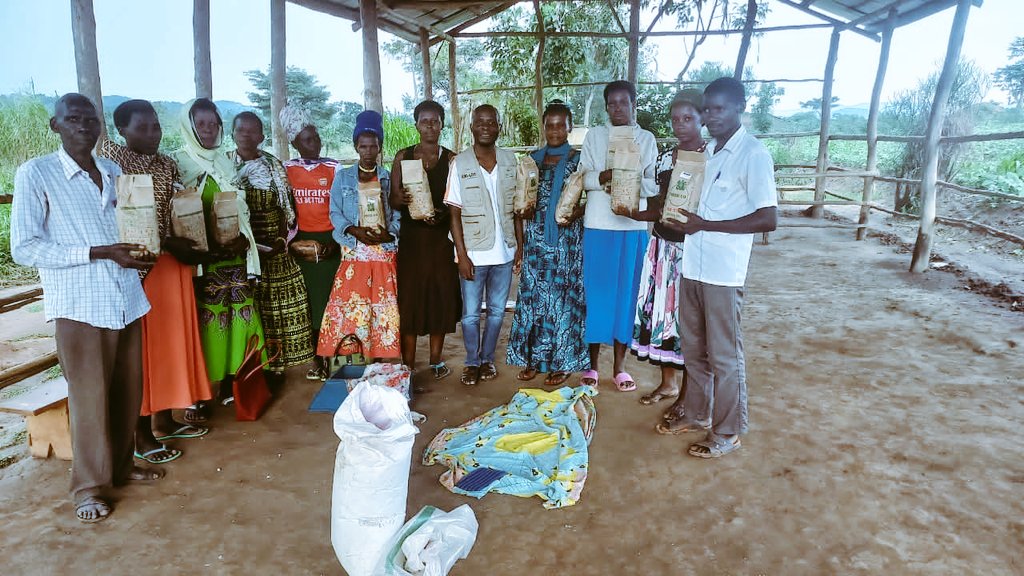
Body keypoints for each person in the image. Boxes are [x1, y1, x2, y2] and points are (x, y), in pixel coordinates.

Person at [10, 93, 162, 523]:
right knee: (89, 396)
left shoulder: (113, 171)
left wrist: (138, 249)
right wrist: (98, 252)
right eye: (72, 119)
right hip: (80, 303)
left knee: (126, 390)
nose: (83, 126)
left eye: (89, 119)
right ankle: (88, 488)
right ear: (54, 125)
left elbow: (128, 229)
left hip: (125, 298)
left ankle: (121, 467)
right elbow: (25, 247)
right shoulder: (37, 173)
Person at [99, 99, 213, 465]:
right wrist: (166, 241)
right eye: (143, 128)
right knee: (143, 352)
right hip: (137, 270)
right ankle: (140, 433)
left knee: (168, 347)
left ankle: (164, 419)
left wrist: (188, 240)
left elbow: (174, 211)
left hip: (170, 268)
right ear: (122, 130)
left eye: (156, 127)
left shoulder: (166, 164)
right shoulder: (109, 164)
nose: (152, 134)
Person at [676, 77, 778, 458]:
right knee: (694, 349)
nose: (710, 116)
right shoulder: (711, 153)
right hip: (694, 265)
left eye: (718, 109)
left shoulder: (753, 154)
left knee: (724, 355)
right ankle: (699, 414)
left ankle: (728, 431)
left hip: (723, 272)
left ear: (740, 108)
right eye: (707, 109)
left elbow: (768, 218)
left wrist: (706, 225)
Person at [615, 90, 707, 430]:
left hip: (693, 253)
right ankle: (668, 384)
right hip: (663, 248)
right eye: (675, 119)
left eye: (687, 118)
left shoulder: (710, 158)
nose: (680, 125)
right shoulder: (667, 159)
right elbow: (658, 207)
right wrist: (634, 213)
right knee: (662, 316)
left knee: (687, 323)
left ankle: (687, 396)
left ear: (702, 118)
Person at [171, 98, 265, 402]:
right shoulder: (178, 162)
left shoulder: (225, 162)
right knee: (205, 323)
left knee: (238, 319)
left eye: (214, 124)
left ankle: (232, 381)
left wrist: (242, 239)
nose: (209, 130)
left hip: (234, 257)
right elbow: (174, 213)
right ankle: (198, 393)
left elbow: (241, 209)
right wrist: (203, 248)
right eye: (201, 124)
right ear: (189, 126)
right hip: (201, 261)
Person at [578, 80, 658, 392]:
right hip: (598, 226)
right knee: (597, 295)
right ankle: (592, 366)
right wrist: (605, 177)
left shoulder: (646, 139)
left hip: (632, 228)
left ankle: (620, 368)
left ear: (633, 105)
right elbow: (583, 178)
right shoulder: (595, 137)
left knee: (626, 296)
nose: (617, 108)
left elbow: (653, 185)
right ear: (606, 106)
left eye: (623, 102)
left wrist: (630, 182)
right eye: (612, 103)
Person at [506, 100, 588, 387]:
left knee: (563, 301)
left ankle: (563, 363)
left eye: (560, 125)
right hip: (536, 245)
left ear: (569, 127)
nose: (554, 130)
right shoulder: (532, 161)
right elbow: (518, 205)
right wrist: (521, 244)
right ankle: (534, 359)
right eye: (549, 125)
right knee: (534, 301)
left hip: (566, 244)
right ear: (544, 127)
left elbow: (589, 202)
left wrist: (575, 212)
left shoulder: (579, 160)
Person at [230, 111, 314, 377]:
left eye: (253, 131)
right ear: (233, 134)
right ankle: (257, 368)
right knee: (254, 307)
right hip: (241, 246)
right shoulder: (224, 166)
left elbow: (286, 206)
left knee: (292, 300)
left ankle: (283, 364)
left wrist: (279, 240)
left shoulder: (273, 166)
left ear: (262, 136)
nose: (247, 135)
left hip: (276, 245)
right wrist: (249, 244)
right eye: (241, 130)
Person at [445, 104, 523, 386]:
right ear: (472, 127)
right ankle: (471, 362)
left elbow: (516, 209)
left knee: (497, 313)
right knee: (469, 314)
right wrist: (462, 255)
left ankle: (487, 359)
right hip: (474, 254)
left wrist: (520, 249)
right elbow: (454, 212)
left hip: (504, 251)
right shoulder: (460, 164)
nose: (486, 127)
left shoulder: (510, 161)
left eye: (491, 122)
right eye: (481, 122)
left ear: (498, 127)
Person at [317, 111, 401, 361]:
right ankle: (350, 357)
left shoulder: (387, 177)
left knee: (381, 307)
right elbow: (334, 212)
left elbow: (397, 214)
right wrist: (355, 231)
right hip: (354, 249)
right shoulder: (342, 177)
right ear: (356, 147)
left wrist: (389, 234)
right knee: (352, 306)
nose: (367, 150)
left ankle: (382, 357)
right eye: (362, 146)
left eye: (372, 145)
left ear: (379, 147)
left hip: (382, 251)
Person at [388, 100, 461, 381]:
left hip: (440, 240)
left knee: (440, 297)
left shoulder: (452, 159)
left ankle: (435, 360)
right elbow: (393, 199)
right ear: (416, 125)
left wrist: (440, 214)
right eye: (424, 121)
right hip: (412, 242)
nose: (430, 126)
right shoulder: (403, 156)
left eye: (435, 121)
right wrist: (404, 199)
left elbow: (456, 202)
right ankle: (407, 363)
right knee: (410, 299)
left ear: (442, 124)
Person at [280, 106, 341, 381]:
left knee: (333, 301)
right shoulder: (286, 171)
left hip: (331, 242)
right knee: (309, 305)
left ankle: (335, 358)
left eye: (316, 138)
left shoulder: (334, 168)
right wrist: (292, 243)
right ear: (294, 143)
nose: (314, 144)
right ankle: (317, 359)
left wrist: (337, 243)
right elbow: (284, 210)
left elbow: (344, 206)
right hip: (302, 245)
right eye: (307, 140)